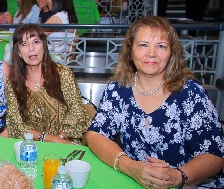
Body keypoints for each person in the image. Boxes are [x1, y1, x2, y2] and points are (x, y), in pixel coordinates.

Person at [87, 16, 224, 189]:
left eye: (161, 46)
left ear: (171, 53)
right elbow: (95, 134)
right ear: (130, 51)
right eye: (143, 45)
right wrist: (129, 166)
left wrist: (177, 176)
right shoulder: (118, 89)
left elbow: (214, 155)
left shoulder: (190, 93)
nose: (151, 53)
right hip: (134, 182)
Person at [6, 24, 90, 144]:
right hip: (31, 146)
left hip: (66, 144)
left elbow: (77, 113)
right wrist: (49, 139)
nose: (31, 48)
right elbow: (16, 125)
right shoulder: (13, 83)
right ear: (19, 52)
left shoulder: (63, 74)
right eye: (24, 44)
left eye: (36, 42)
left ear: (44, 46)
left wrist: (60, 138)